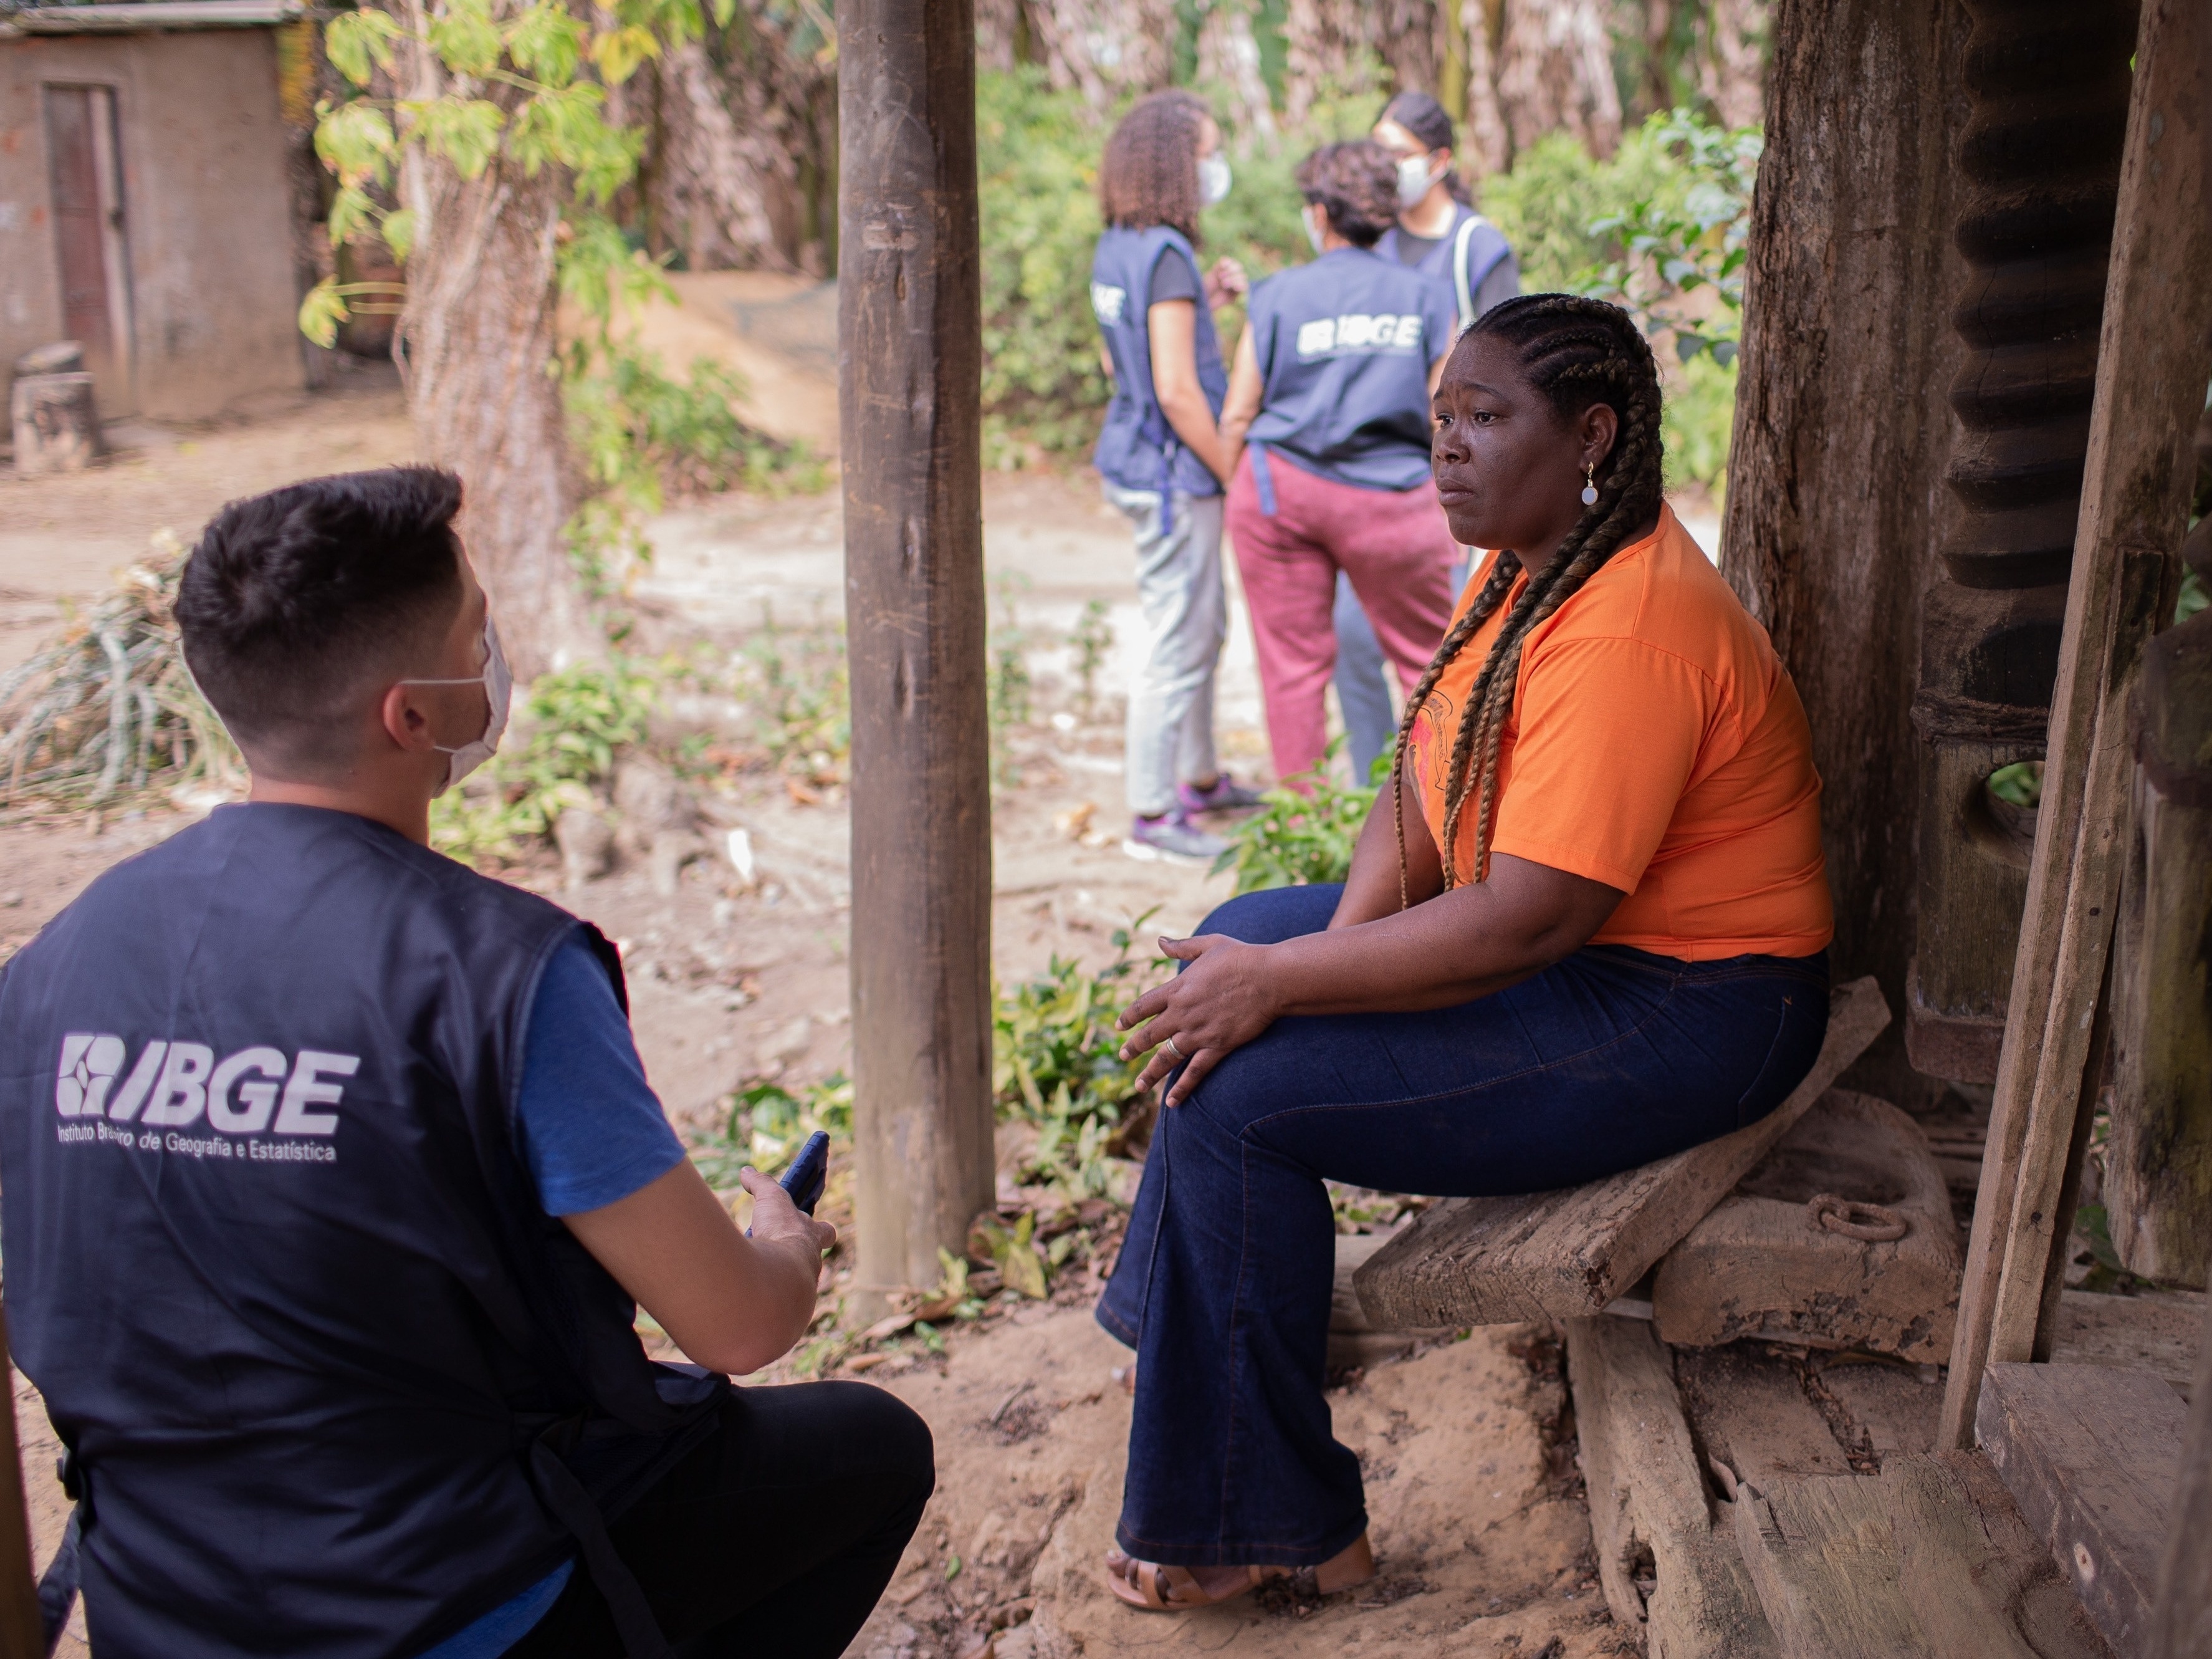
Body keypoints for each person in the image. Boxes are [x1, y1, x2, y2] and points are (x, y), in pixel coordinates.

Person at [0, 469, 933, 1658]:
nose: (496, 662)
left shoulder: (54, 963)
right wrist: (788, 1249)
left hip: (159, 1604)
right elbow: (736, 1331)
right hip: (448, 1598)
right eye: (478, 638)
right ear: (413, 714)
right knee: (869, 1450)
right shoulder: (502, 972)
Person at [1094, 296, 1834, 1612]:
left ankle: (1263, 1520)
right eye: (1440, 417)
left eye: (1485, 418)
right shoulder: (1528, 558)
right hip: (1595, 952)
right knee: (1246, 935)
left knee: (1243, 1091)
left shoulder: (1625, 625)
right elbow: (1422, 785)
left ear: (1590, 435)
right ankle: (1194, 1373)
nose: (1446, 447)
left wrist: (1292, 995)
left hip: (1696, 1006)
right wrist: (1307, 963)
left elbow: (1526, 921)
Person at [1217, 140, 1464, 790]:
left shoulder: (1277, 295)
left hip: (1281, 493)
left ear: (1320, 213)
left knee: (1292, 672)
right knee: (1429, 665)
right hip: (1394, 500)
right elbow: (1448, 413)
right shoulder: (1427, 297)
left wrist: (1240, 490)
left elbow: (1239, 413)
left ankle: (1305, 824)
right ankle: (1444, 815)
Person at [1329, 91, 1525, 784]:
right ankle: (1368, 793)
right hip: (1373, 480)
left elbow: (1512, 375)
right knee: (1351, 639)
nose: (1385, 166)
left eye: (1399, 153)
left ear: (1438, 161)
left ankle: (1447, 786)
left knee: (1450, 643)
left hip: (1452, 484)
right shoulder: (1369, 240)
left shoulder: (1477, 246)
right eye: (1375, 150)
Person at [1091, 89, 1265, 865]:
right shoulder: (1165, 252)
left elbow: (1114, 359)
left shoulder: (1120, 246)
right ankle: (1155, 812)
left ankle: (1199, 778)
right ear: (1175, 162)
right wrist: (1235, 469)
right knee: (1177, 638)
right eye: (1208, 152)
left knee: (1202, 623)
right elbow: (1176, 388)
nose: (1214, 168)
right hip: (1173, 475)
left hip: (1135, 458)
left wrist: (1206, 299)